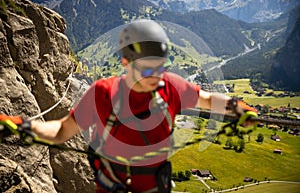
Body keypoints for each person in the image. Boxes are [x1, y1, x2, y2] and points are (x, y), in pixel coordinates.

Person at [0, 19, 257, 193]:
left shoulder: (172, 86)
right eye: (147, 68)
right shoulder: (102, 93)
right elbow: (60, 132)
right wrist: (22, 127)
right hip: (113, 184)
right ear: (125, 61)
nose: (156, 75)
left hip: (154, 185)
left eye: (161, 67)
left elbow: (209, 100)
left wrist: (237, 107)